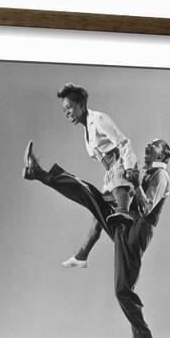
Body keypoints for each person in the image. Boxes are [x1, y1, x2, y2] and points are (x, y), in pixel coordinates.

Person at [22, 138, 170, 338]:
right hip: (124, 222)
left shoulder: (162, 175)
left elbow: (146, 209)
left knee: (122, 289)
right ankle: (40, 174)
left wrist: (135, 184)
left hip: (137, 230)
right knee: (91, 196)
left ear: (163, 155)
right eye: (149, 143)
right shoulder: (145, 172)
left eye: (154, 145)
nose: (147, 146)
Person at [56, 83, 138, 268]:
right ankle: (81, 256)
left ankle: (124, 215)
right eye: (64, 110)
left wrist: (130, 167)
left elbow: (123, 143)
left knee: (118, 196)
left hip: (120, 165)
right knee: (97, 215)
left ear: (81, 105)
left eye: (69, 107)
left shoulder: (99, 119)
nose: (67, 113)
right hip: (109, 172)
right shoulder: (86, 128)